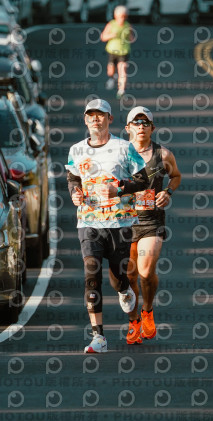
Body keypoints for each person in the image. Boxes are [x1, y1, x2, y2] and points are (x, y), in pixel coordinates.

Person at [66, 98, 149, 353]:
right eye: (90, 115)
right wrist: (75, 193)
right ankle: (98, 336)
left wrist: (119, 188)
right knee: (91, 271)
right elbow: (73, 177)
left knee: (118, 275)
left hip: (120, 222)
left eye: (100, 114)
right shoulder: (76, 150)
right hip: (89, 221)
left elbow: (143, 180)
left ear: (110, 119)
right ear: (85, 119)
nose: (95, 119)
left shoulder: (123, 148)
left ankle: (124, 289)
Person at [122, 107, 182, 345]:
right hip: (123, 221)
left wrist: (167, 192)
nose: (141, 127)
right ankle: (133, 321)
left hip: (151, 221)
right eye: (136, 123)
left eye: (145, 123)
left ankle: (147, 311)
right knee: (129, 276)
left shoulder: (163, 154)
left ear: (152, 128)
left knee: (146, 272)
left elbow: (176, 176)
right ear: (128, 128)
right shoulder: (118, 154)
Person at [100, 5, 133, 99]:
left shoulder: (128, 25)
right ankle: (112, 77)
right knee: (110, 70)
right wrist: (111, 35)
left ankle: (121, 91)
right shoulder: (111, 24)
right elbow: (103, 37)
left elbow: (131, 38)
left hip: (124, 51)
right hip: (112, 51)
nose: (123, 18)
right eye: (121, 16)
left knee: (123, 71)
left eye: (124, 16)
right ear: (116, 16)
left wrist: (129, 37)